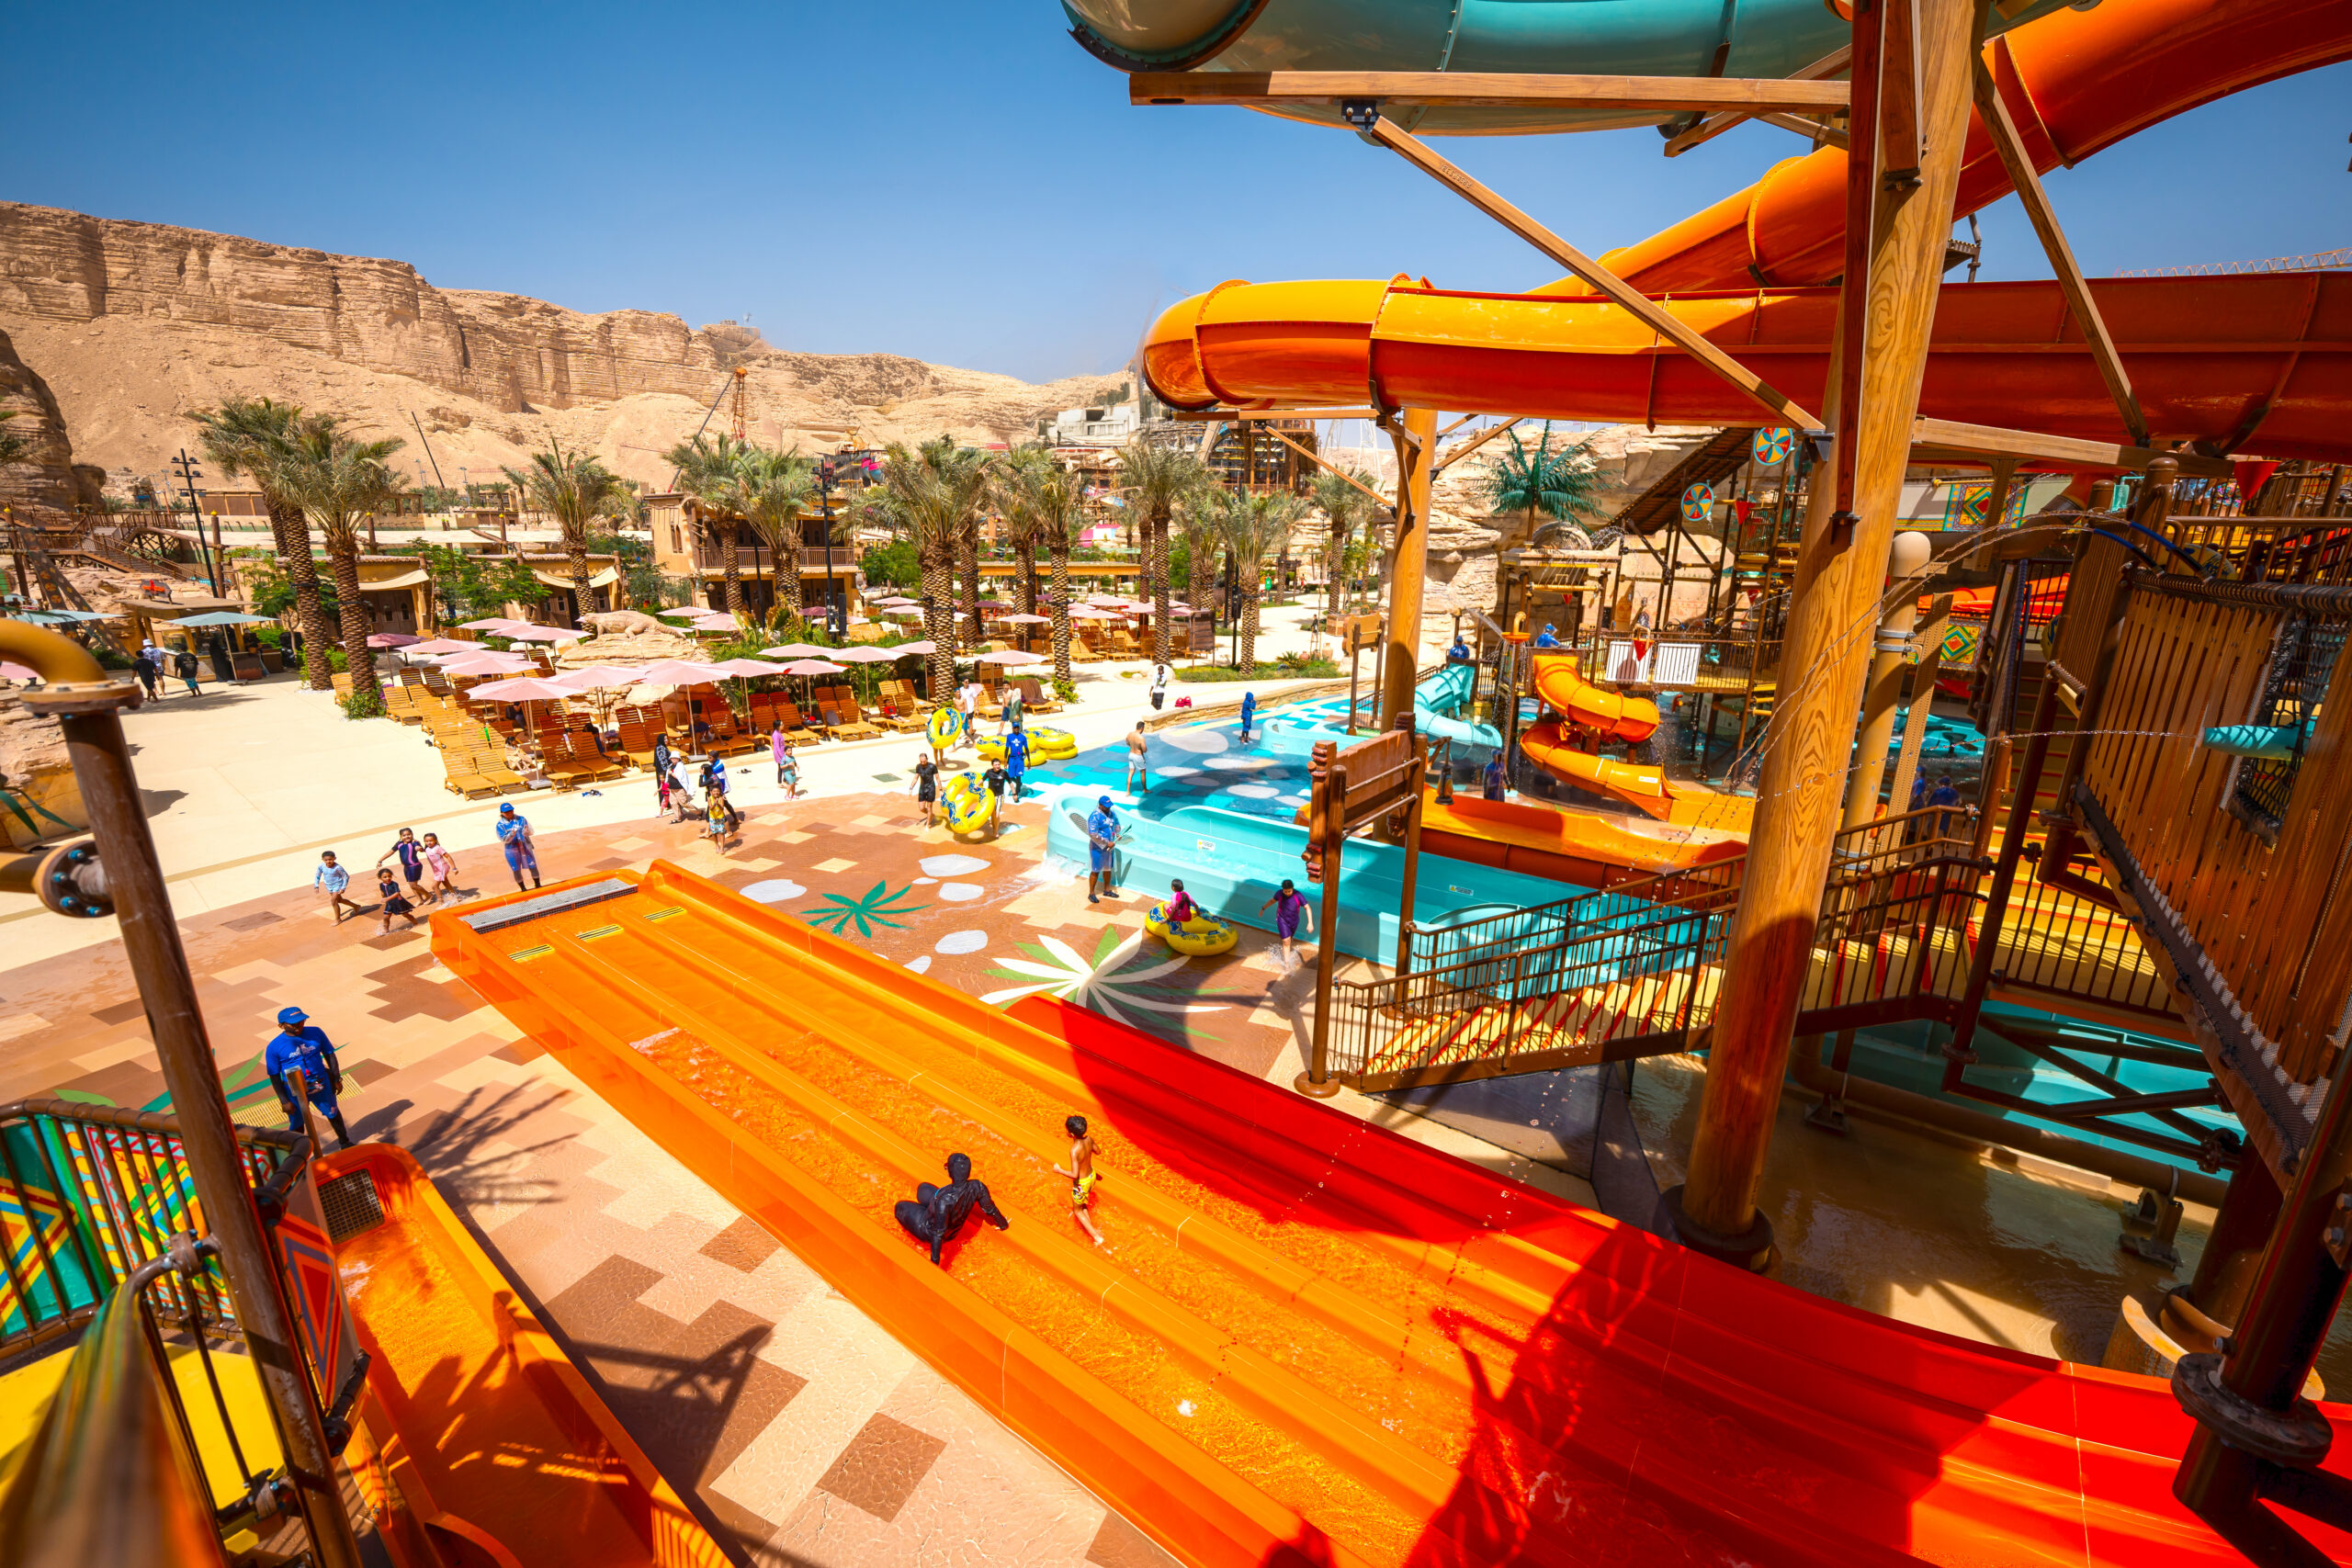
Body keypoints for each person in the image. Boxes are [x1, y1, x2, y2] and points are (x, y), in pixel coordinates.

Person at [892, 1152, 1010, 1267]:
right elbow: (990, 1208)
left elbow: (937, 1234)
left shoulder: (945, 1201)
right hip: (949, 1223)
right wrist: (1003, 1224)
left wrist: (934, 1264)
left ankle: (923, 1214)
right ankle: (926, 1209)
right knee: (923, 1188)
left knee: (899, 1207)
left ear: (951, 1172)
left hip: (929, 1228)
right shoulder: (977, 1186)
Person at [266, 1007, 354, 1151]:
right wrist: (284, 1101)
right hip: (294, 1089)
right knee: (297, 1122)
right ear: (281, 1025)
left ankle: (345, 1142)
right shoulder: (274, 1047)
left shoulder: (316, 1032)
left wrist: (337, 1079)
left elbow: (330, 1055)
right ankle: (294, 1154)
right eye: (293, 1024)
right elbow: (274, 1076)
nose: (299, 1026)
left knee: (332, 1112)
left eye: (301, 1021)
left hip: (319, 1083)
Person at [1054, 1114, 1107, 1248]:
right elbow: (1098, 1151)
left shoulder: (1074, 1151)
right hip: (1091, 1177)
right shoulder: (1089, 1139)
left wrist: (1059, 1170)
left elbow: (1074, 1174)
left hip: (1081, 1183)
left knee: (1077, 1210)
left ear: (1071, 1134)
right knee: (1082, 1204)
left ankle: (1097, 1237)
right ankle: (1088, 1226)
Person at [1260, 878, 1314, 969]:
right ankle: (1287, 965)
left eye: (1289, 891)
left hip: (1294, 921)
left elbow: (1307, 908)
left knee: (1289, 940)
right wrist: (1263, 908)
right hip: (1282, 920)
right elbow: (1272, 901)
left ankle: (1286, 952)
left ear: (1292, 888)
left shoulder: (1298, 895)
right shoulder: (1280, 894)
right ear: (1282, 889)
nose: (1287, 893)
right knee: (1286, 941)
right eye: (1285, 891)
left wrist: (1310, 923)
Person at [377, 828, 434, 908]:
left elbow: (420, 848)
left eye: (408, 835)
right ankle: (419, 899)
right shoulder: (399, 844)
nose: (406, 837)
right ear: (401, 836)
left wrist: (419, 848)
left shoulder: (414, 842)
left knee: (413, 885)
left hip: (414, 866)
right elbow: (390, 852)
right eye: (404, 835)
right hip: (406, 867)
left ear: (412, 835)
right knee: (411, 885)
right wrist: (380, 860)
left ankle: (428, 895)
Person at [494, 804, 541, 890]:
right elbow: (503, 839)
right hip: (512, 849)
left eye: (511, 810)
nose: (509, 813)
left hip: (525, 846)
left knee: (533, 866)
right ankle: (523, 889)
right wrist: (511, 835)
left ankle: (538, 885)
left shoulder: (521, 819)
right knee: (516, 869)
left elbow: (530, 831)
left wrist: (527, 831)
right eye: (506, 812)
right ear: (502, 813)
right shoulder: (500, 825)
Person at [1085, 795, 1120, 904]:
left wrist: (1118, 833)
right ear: (1100, 805)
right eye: (1106, 806)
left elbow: (1116, 823)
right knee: (1095, 870)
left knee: (1108, 868)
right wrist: (1106, 842)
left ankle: (1107, 890)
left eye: (1109, 806)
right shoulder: (1094, 816)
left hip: (1109, 847)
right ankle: (1091, 893)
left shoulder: (1112, 813)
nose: (1108, 808)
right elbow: (1093, 834)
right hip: (1097, 848)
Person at [315, 852, 363, 924]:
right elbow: (317, 875)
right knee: (339, 900)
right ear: (322, 860)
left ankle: (338, 919)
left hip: (337, 885)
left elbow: (346, 876)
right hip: (329, 886)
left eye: (330, 859)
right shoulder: (321, 866)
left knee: (333, 901)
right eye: (326, 860)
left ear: (334, 858)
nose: (328, 861)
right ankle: (356, 906)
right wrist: (316, 885)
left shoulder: (338, 868)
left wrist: (343, 888)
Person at [373, 866, 421, 935]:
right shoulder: (381, 885)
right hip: (390, 903)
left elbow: (397, 893)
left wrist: (387, 899)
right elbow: (382, 892)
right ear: (380, 878)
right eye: (385, 877)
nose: (388, 878)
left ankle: (416, 923)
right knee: (386, 917)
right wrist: (384, 898)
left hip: (398, 902)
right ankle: (386, 930)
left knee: (405, 914)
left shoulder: (394, 884)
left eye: (389, 876)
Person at [420, 832, 460, 899]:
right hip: (437, 870)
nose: (429, 843)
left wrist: (454, 868)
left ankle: (441, 903)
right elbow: (424, 850)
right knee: (446, 883)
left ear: (435, 840)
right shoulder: (427, 848)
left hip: (442, 868)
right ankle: (457, 898)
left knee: (434, 886)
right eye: (426, 841)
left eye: (431, 841)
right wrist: (417, 845)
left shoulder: (438, 848)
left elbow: (448, 857)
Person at [911, 753, 940, 828]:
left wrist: (940, 789)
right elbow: (916, 778)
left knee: (929, 806)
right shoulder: (918, 766)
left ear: (927, 759)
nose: (923, 763)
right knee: (921, 808)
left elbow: (937, 778)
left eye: (924, 761)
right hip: (922, 788)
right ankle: (931, 815)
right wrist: (911, 787)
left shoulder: (932, 766)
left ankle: (928, 825)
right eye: (921, 762)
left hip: (931, 788)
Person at [1003, 727, 1029, 804]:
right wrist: (1005, 761)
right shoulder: (1009, 737)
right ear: (1013, 728)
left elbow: (1027, 749)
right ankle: (1019, 784)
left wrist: (1029, 761)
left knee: (1018, 776)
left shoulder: (1023, 737)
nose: (1016, 729)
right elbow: (1007, 749)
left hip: (1020, 759)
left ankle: (1016, 794)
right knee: (1010, 776)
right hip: (1012, 759)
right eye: (1015, 727)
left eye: (1017, 727)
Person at [1124, 722, 1148, 794]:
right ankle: (1145, 789)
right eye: (1143, 728)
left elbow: (1127, 741)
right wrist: (1141, 748)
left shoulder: (1130, 734)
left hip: (1131, 754)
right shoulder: (1141, 738)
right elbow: (1144, 750)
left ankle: (1128, 791)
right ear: (1141, 728)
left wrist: (1132, 745)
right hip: (1138, 756)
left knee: (1131, 772)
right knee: (1143, 772)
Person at [770, 723, 795, 789]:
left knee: (783, 768)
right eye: (782, 724)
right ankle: (781, 782)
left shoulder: (778, 732)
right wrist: (782, 756)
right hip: (779, 753)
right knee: (782, 767)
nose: (783, 725)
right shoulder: (775, 734)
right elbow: (777, 747)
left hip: (782, 752)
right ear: (778, 726)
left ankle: (783, 781)